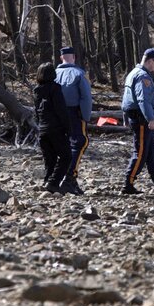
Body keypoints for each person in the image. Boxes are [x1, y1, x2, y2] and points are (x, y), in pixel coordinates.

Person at [120, 48, 154, 195]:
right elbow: (142, 99)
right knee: (141, 152)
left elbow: (125, 98)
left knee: (151, 152)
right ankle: (128, 183)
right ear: (150, 60)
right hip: (142, 119)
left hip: (137, 117)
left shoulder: (132, 73)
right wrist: (150, 118)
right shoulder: (142, 76)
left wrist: (125, 117)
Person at [55, 47, 92, 195]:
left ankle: (66, 179)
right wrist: (85, 116)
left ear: (61, 58)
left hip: (57, 114)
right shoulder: (79, 74)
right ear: (74, 57)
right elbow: (86, 97)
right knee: (80, 142)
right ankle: (69, 177)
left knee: (64, 145)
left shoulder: (53, 74)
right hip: (74, 112)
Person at [34, 62, 73, 193]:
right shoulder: (55, 89)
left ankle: (47, 181)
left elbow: (37, 112)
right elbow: (61, 110)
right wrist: (68, 128)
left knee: (49, 158)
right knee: (66, 156)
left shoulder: (37, 91)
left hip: (42, 130)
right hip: (55, 129)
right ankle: (53, 182)